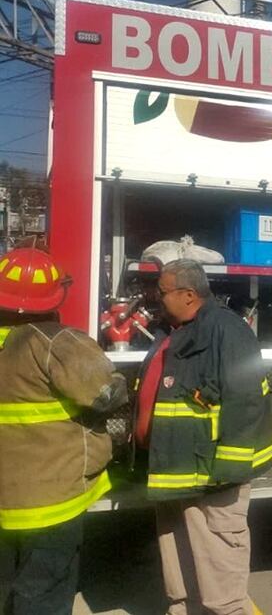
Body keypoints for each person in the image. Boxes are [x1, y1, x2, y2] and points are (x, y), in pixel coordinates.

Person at [136, 259, 272, 615]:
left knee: (218, 574)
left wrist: (227, 472)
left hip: (211, 478)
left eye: (162, 292)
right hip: (177, 471)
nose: (156, 298)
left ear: (189, 294)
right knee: (180, 570)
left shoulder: (228, 331)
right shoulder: (178, 328)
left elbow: (246, 402)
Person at [0, 247, 128, 615]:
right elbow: (106, 394)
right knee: (44, 593)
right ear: (54, 296)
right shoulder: (56, 342)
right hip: (51, 501)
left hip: (6, 499)